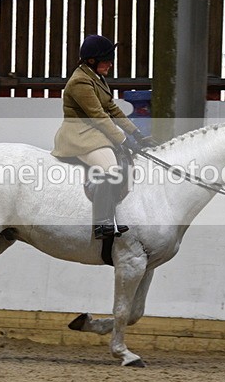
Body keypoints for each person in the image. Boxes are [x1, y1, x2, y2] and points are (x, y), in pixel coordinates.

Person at [51, 35, 156, 241]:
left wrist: (137, 134)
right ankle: (102, 223)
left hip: (95, 134)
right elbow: (98, 116)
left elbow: (112, 109)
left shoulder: (96, 77)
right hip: (79, 136)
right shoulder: (80, 81)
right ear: (92, 60)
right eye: (107, 60)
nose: (111, 64)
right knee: (110, 169)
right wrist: (123, 140)